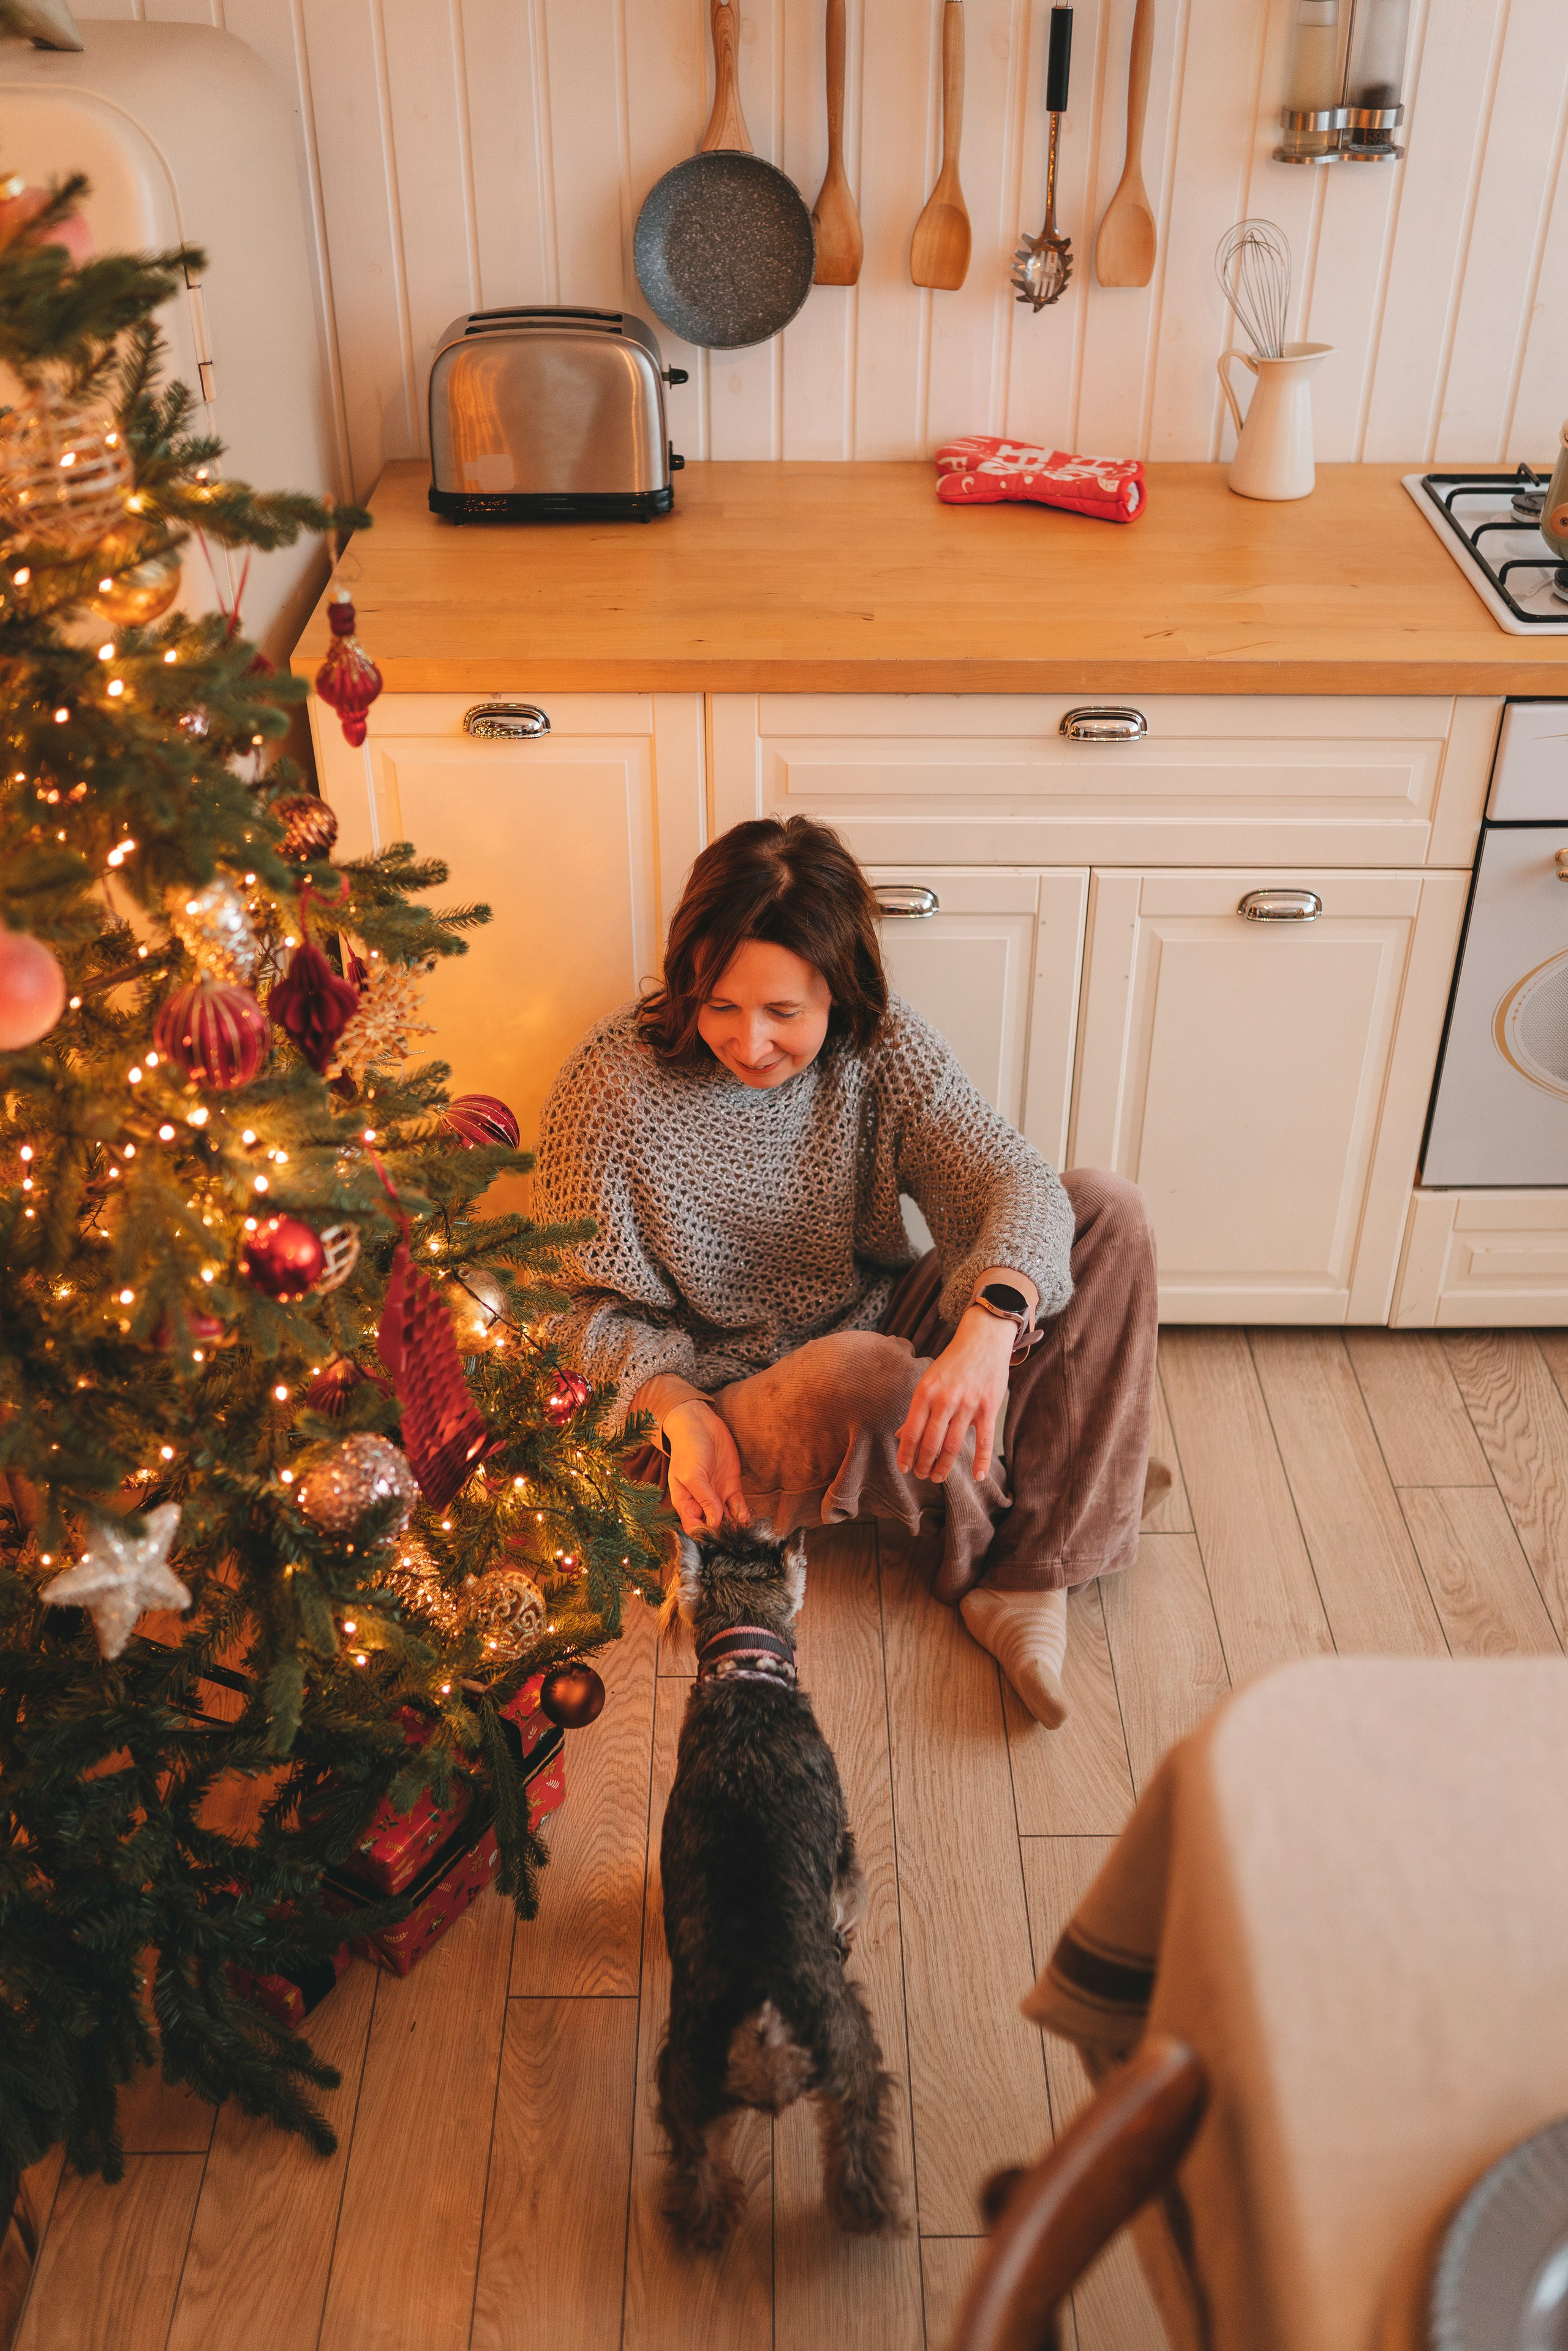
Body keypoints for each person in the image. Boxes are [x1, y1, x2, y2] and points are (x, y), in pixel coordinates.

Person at [534, 815, 1162, 1728]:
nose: (750, 1043)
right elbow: (570, 1313)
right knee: (865, 1375)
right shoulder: (610, 1086)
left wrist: (992, 1323)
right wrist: (674, 1408)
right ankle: (1057, 1494)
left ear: (842, 991)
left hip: (872, 1320)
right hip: (712, 1402)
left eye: (784, 1013)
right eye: (720, 1005)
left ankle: (1030, 1572)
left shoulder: (880, 1046)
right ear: (687, 980)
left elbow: (1010, 1178)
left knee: (1109, 1210)